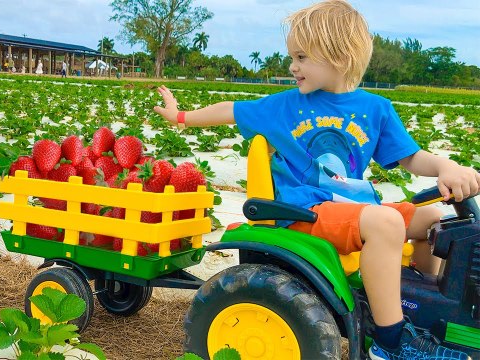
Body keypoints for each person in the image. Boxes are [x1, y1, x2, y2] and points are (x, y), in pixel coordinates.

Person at [153, 1, 479, 359]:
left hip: (352, 211)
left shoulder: (376, 109)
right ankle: (390, 343)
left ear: (338, 57)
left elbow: (411, 158)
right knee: (386, 221)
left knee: (437, 220)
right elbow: (230, 110)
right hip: (306, 213)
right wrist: (180, 116)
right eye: (293, 56)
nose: (292, 66)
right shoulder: (285, 105)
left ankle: (419, 314)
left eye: (302, 57)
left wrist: (446, 166)